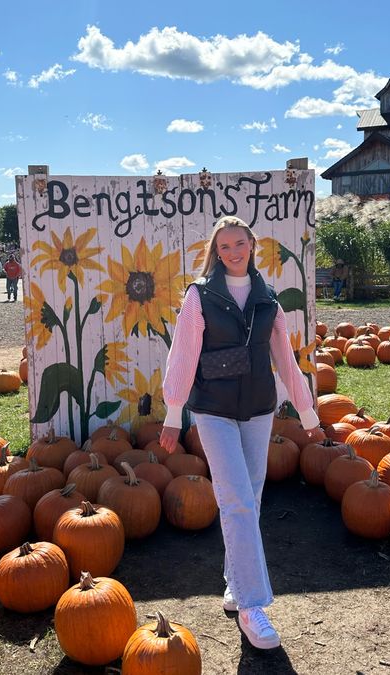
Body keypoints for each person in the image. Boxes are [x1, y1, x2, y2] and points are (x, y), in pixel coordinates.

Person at [160, 216, 320, 650]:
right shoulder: (200, 295)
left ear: (252, 245)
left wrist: (307, 412)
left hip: (257, 410)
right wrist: (174, 414)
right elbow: (183, 356)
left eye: (240, 244)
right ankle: (253, 606)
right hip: (212, 410)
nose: (233, 252)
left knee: (250, 498)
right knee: (235, 499)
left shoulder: (268, 298)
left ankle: (235, 583)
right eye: (225, 246)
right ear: (216, 250)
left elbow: (285, 359)